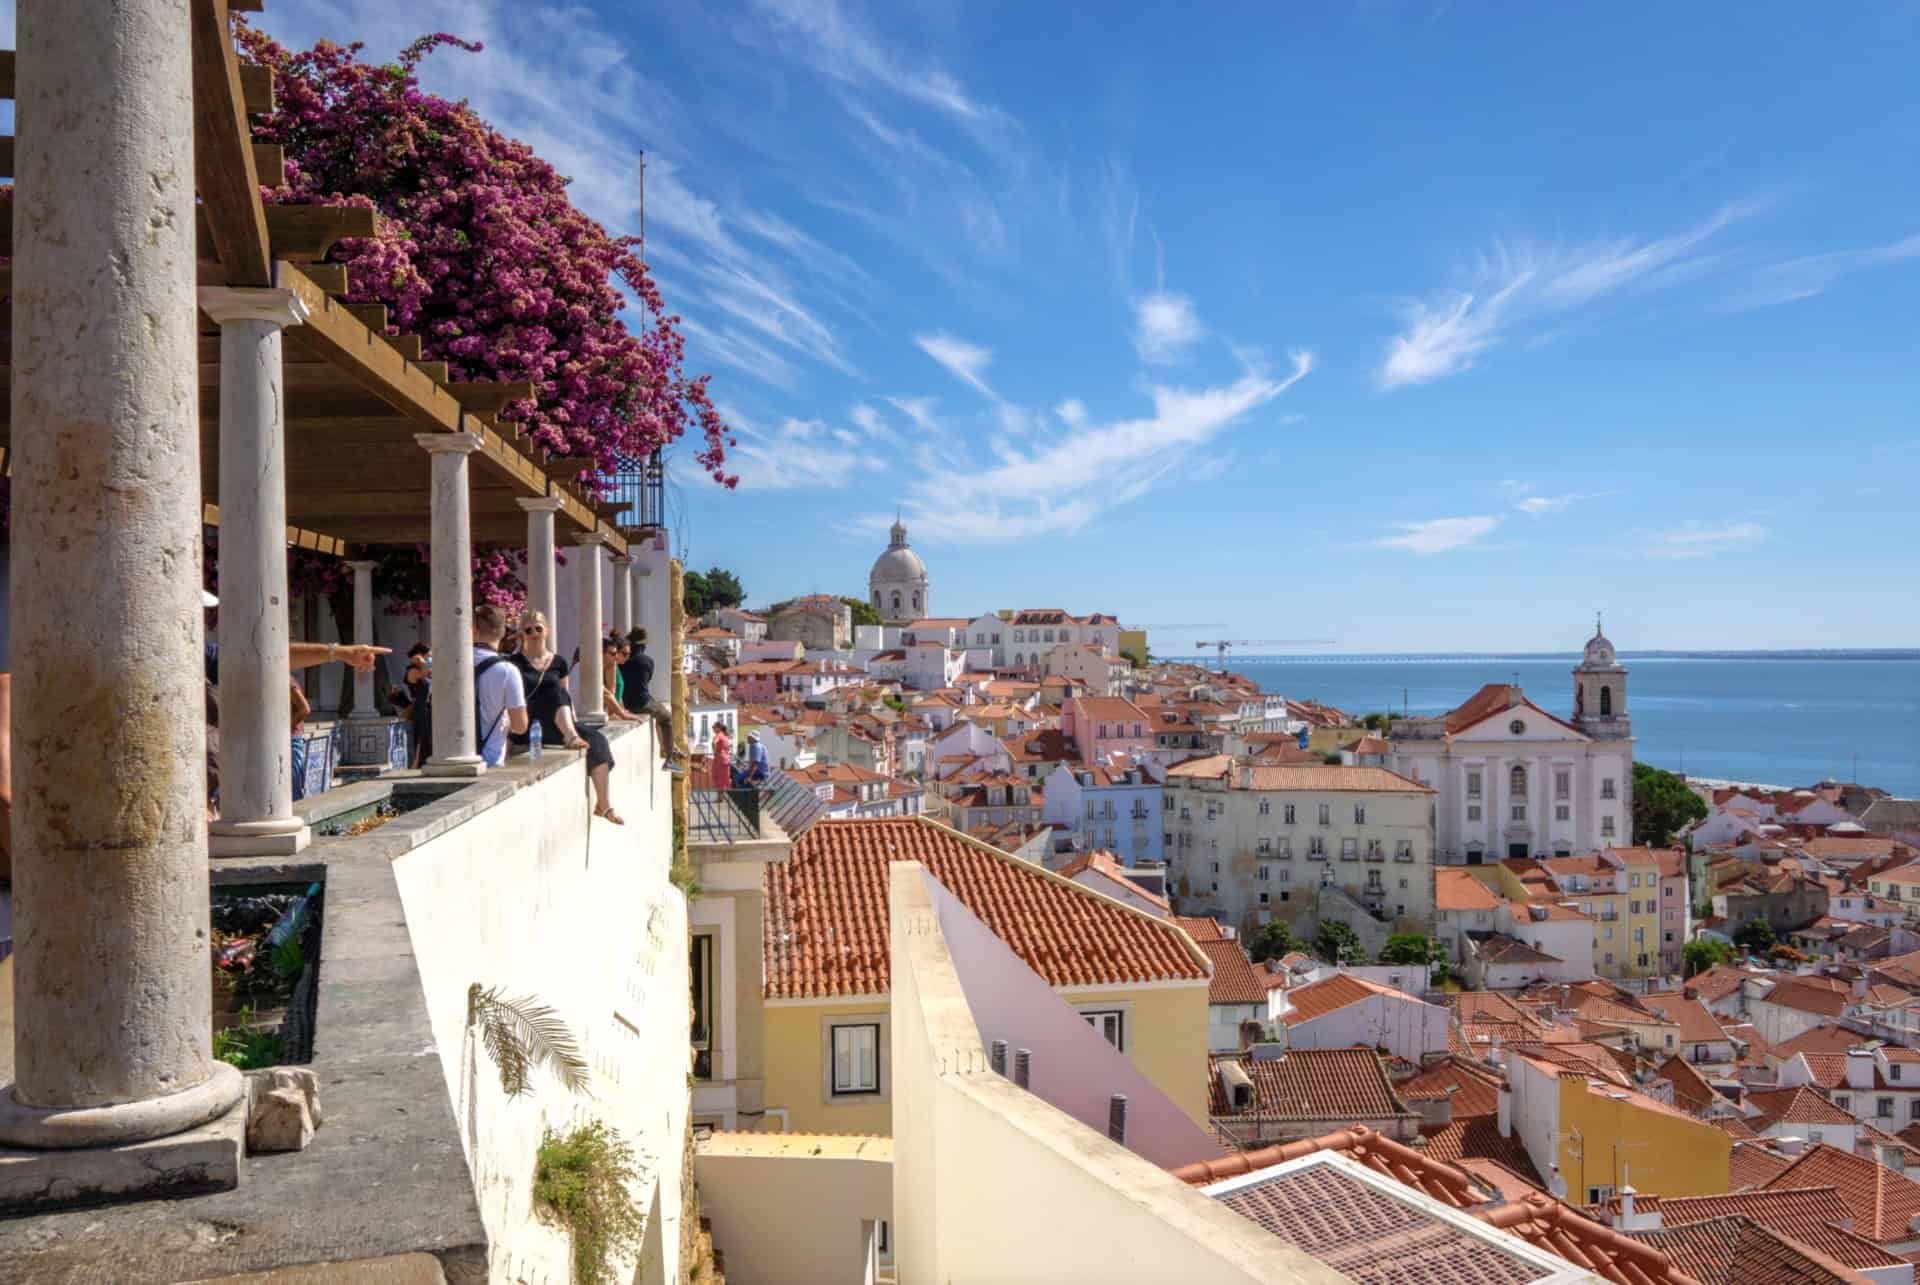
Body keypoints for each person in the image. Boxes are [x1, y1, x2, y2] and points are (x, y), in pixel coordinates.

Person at [508, 612, 624, 824]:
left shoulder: (559, 662)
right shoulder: (514, 663)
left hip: (558, 723)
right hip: (530, 723)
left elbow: (565, 696)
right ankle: (571, 736)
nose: (534, 633)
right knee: (554, 693)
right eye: (528, 630)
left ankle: (604, 804)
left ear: (547, 631)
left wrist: (572, 724)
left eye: (538, 628)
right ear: (522, 634)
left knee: (598, 740)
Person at [472, 604, 529, 768]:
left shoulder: (451, 665)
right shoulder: (507, 671)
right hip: (490, 761)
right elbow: (520, 726)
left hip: (448, 761)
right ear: (503, 632)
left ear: (473, 630)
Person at [394, 643, 433, 768]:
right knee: (422, 738)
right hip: (421, 708)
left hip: (428, 708)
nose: (429, 659)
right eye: (428, 656)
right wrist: (422, 662)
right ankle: (416, 765)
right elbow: (426, 672)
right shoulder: (412, 671)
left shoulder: (423, 669)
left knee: (429, 738)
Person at [709, 721, 733, 792]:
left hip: (720, 759)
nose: (713, 729)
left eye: (714, 727)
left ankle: (720, 798)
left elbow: (713, 742)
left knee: (718, 778)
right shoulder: (725, 736)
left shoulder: (719, 735)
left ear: (719, 728)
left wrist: (715, 752)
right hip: (726, 759)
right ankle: (722, 798)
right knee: (724, 778)